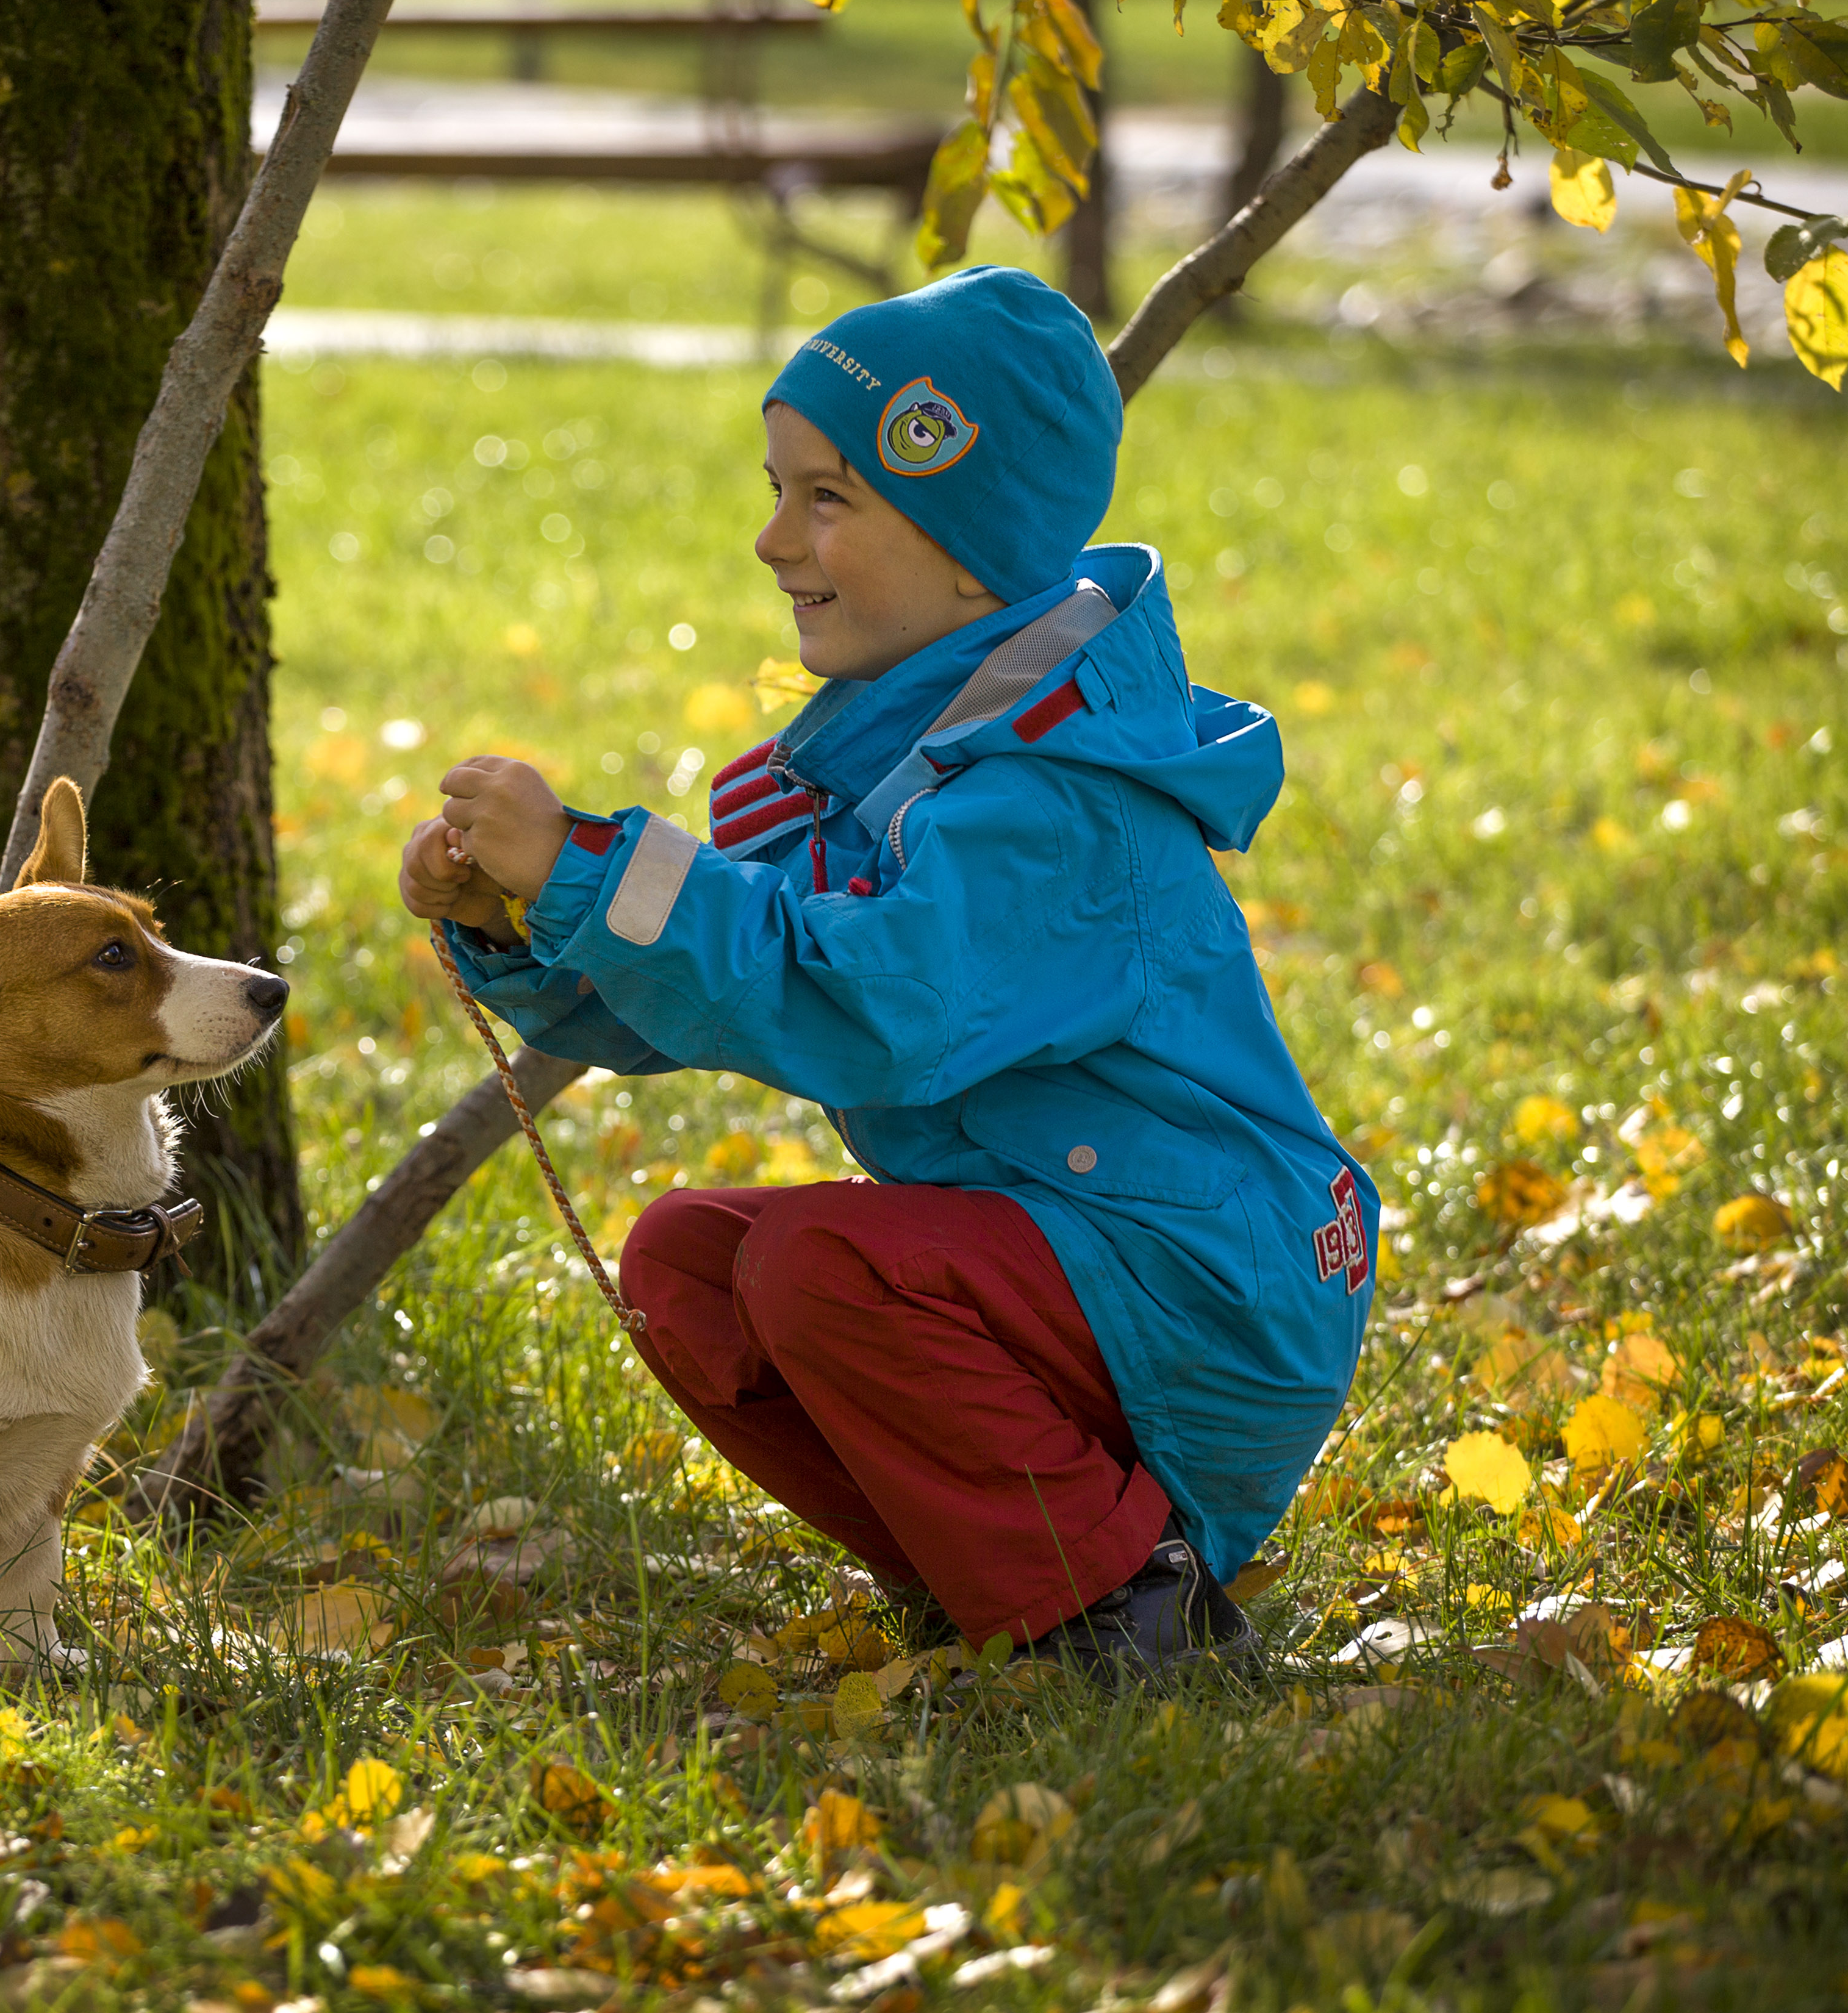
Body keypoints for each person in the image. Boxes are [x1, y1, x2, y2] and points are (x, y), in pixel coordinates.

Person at [399, 265, 1374, 1672]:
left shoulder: (1046, 800)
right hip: (1074, 1266)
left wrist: (585, 866)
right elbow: (722, 983)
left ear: (969, 547)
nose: (768, 538)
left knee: (819, 1265)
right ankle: (1001, 1574)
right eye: (776, 488)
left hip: (1210, 1287)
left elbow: (860, 1008)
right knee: (689, 1263)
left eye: (825, 499)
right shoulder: (889, 762)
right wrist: (514, 919)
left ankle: (1123, 1612)